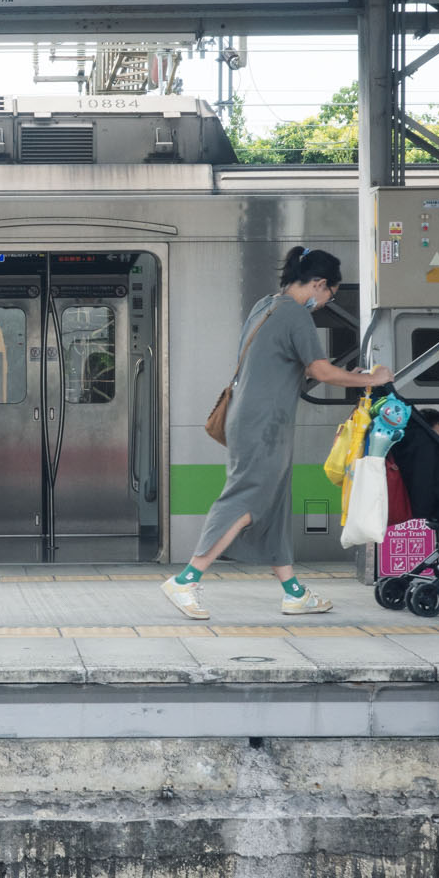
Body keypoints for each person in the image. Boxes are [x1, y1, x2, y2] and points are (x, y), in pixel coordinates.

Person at [163, 246, 392, 620]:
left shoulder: (265, 306)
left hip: (254, 419)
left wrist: (342, 377)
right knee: (245, 500)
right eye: (330, 295)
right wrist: (372, 379)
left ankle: (293, 593)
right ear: (318, 284)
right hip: (264, 424)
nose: (325, 303)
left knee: (274, 506)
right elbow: (321, 371)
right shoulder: (295, 315)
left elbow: (282, 366)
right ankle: (186, 580)